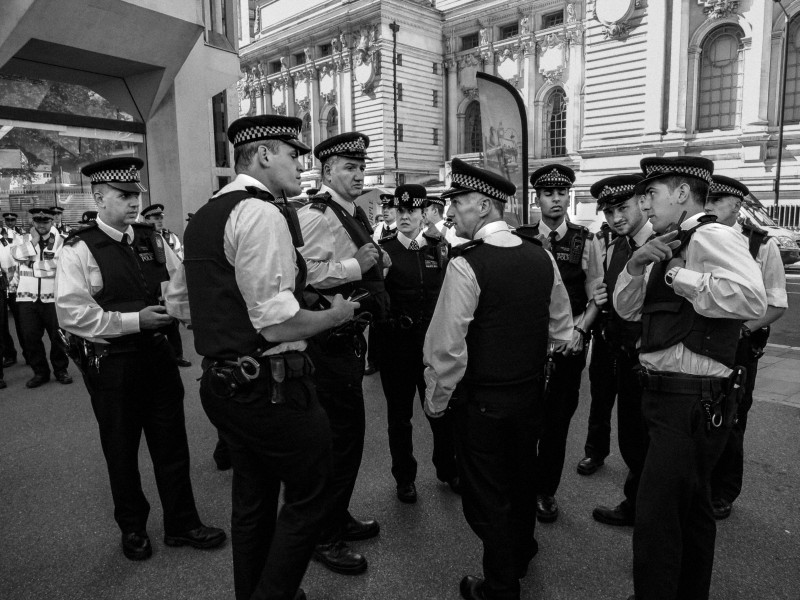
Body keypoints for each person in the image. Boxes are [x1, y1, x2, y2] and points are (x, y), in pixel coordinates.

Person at [169, 115, 358, 600]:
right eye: (294, 154)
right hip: (270, 387)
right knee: (311, 497)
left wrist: (225, 326)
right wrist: (334, 316)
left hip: (224, 384)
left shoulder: (204, 216)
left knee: (252, 500)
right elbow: (277, 321)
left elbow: (180, 303)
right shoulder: (261, 212)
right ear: (264, 155)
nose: (301, 163)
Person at [55, 157, 225, 562]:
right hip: (113, 366)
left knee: (172, 445)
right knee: (121, 450)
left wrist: (183, 311)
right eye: (124, 195)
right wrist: (136, 320)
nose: (134, 202)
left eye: (136, 195)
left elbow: (179, 283)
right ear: (99, 198)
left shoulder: (151, 238)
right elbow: (72, 313)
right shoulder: (79, 249)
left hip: (158, 358)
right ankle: (132, 527)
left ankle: (182, 523)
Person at [613, 156, 766, 600]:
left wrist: (679, 273)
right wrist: (638, 264)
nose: (644, 203)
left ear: (682, 192)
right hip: (672, 401)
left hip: (690, 402)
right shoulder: (669, 240)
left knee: (657, 518)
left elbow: (751, 299)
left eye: (651, 194)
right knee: (692, 511)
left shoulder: (711, 234)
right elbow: (626, 310)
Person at [423, 158, 572, 600]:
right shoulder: (541, 256)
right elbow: (562, 329)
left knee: (486, 495)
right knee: (522, 478)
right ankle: (521, 552)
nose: (453, 214)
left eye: (460, 204)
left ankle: (500, 584)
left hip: (483, 403)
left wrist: (436, 402)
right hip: (529, 396)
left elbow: (446, 348)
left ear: (485, 206)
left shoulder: (467, 264)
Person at [297, 131, 391, 575]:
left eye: (361, 166)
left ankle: (337, 515)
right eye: (349, 168)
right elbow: (306, 275)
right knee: (337, 440)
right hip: (327, 342)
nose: (358, 174)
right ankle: (323, 535)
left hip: (347, 337)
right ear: (327, 170)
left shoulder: (349, 212)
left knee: (348, 438)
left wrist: (372, 263)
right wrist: (359, 266)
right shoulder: (318, 214)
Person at [704, 175, 787, 521]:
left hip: (739, 349)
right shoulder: (699, 238)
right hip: (705, 344)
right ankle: (700, 483)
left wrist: (744, 328)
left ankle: (723, 492)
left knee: (733, 418)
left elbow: (777, 303)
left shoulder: (760, 245)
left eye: (714, 202)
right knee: (702, 415)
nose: (706, 207)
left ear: (736, 207)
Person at [517, 164, 595, 523]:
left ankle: (545, 489)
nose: (556, 200)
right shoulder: (521, 238)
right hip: (529, 346)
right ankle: (520, 483)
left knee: (557, 422)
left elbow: (597, 296)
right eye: (549, 193)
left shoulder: (585, 240)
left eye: (562, 193)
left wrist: (578, 331)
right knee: (524, 418)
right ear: (537, 198)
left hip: (568, 348)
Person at [375, 184, 458, 504]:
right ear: (395, 213)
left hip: (431, 348)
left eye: (413, 211)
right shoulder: (384, 250)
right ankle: (405, 477)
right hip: (396, 347)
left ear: (425, 213)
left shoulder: (438, 249)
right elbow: (375, 300)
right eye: (401, 210)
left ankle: (448, 468)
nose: (406, 216)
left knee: (440, 410)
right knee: (399, 417)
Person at [580, 175, 652, 527]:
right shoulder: (616, 243)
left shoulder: (659, 241)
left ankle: (642, 509)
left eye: (622, 207)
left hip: (649, 360)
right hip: (619, 350)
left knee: (644, 440)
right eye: (609, 211)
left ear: (642, 201)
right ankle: (639, 504)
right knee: (631, 437)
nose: (616, 217)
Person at [11, 208, 72, 388]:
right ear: (33, 222)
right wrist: (34, 242)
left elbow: (58, 266)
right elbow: (15, 255)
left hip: (53, 298)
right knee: (30, 338)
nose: (41, 224)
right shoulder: (22, 239)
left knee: (58, 337)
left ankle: (61, 370)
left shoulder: (61, 241)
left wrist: (31, 264)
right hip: (26, 298)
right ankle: (40, 372)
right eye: (37, 221)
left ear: (52, 221)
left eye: (45, 221)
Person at [576, 219, 616, 476]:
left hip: (639, 334)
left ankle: (640, 463)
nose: (615, 216)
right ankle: (595, 452)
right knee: (600, 397)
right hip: (605, 328)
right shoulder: (598, 240)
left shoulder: (654, 239)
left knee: (637, 407)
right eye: (610, 210)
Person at [141, 203, 191, 368]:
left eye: (161, 218)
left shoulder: (170, 237)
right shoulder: (140, 236)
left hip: (167, 285)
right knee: (154, 324)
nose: (160, 220)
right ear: (146, 219)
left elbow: (178, 260)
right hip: (151, 286)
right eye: (156, 218)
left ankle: (177, 356)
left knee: (172, 323)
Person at [1, 217, 24, 368]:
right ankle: (9, 354)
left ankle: (29, 354)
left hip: (14, 285)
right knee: (2, 324)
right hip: (0, 286)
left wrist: (14, 280)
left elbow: (19, 257)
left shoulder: (12, 235)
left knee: (23, 323)